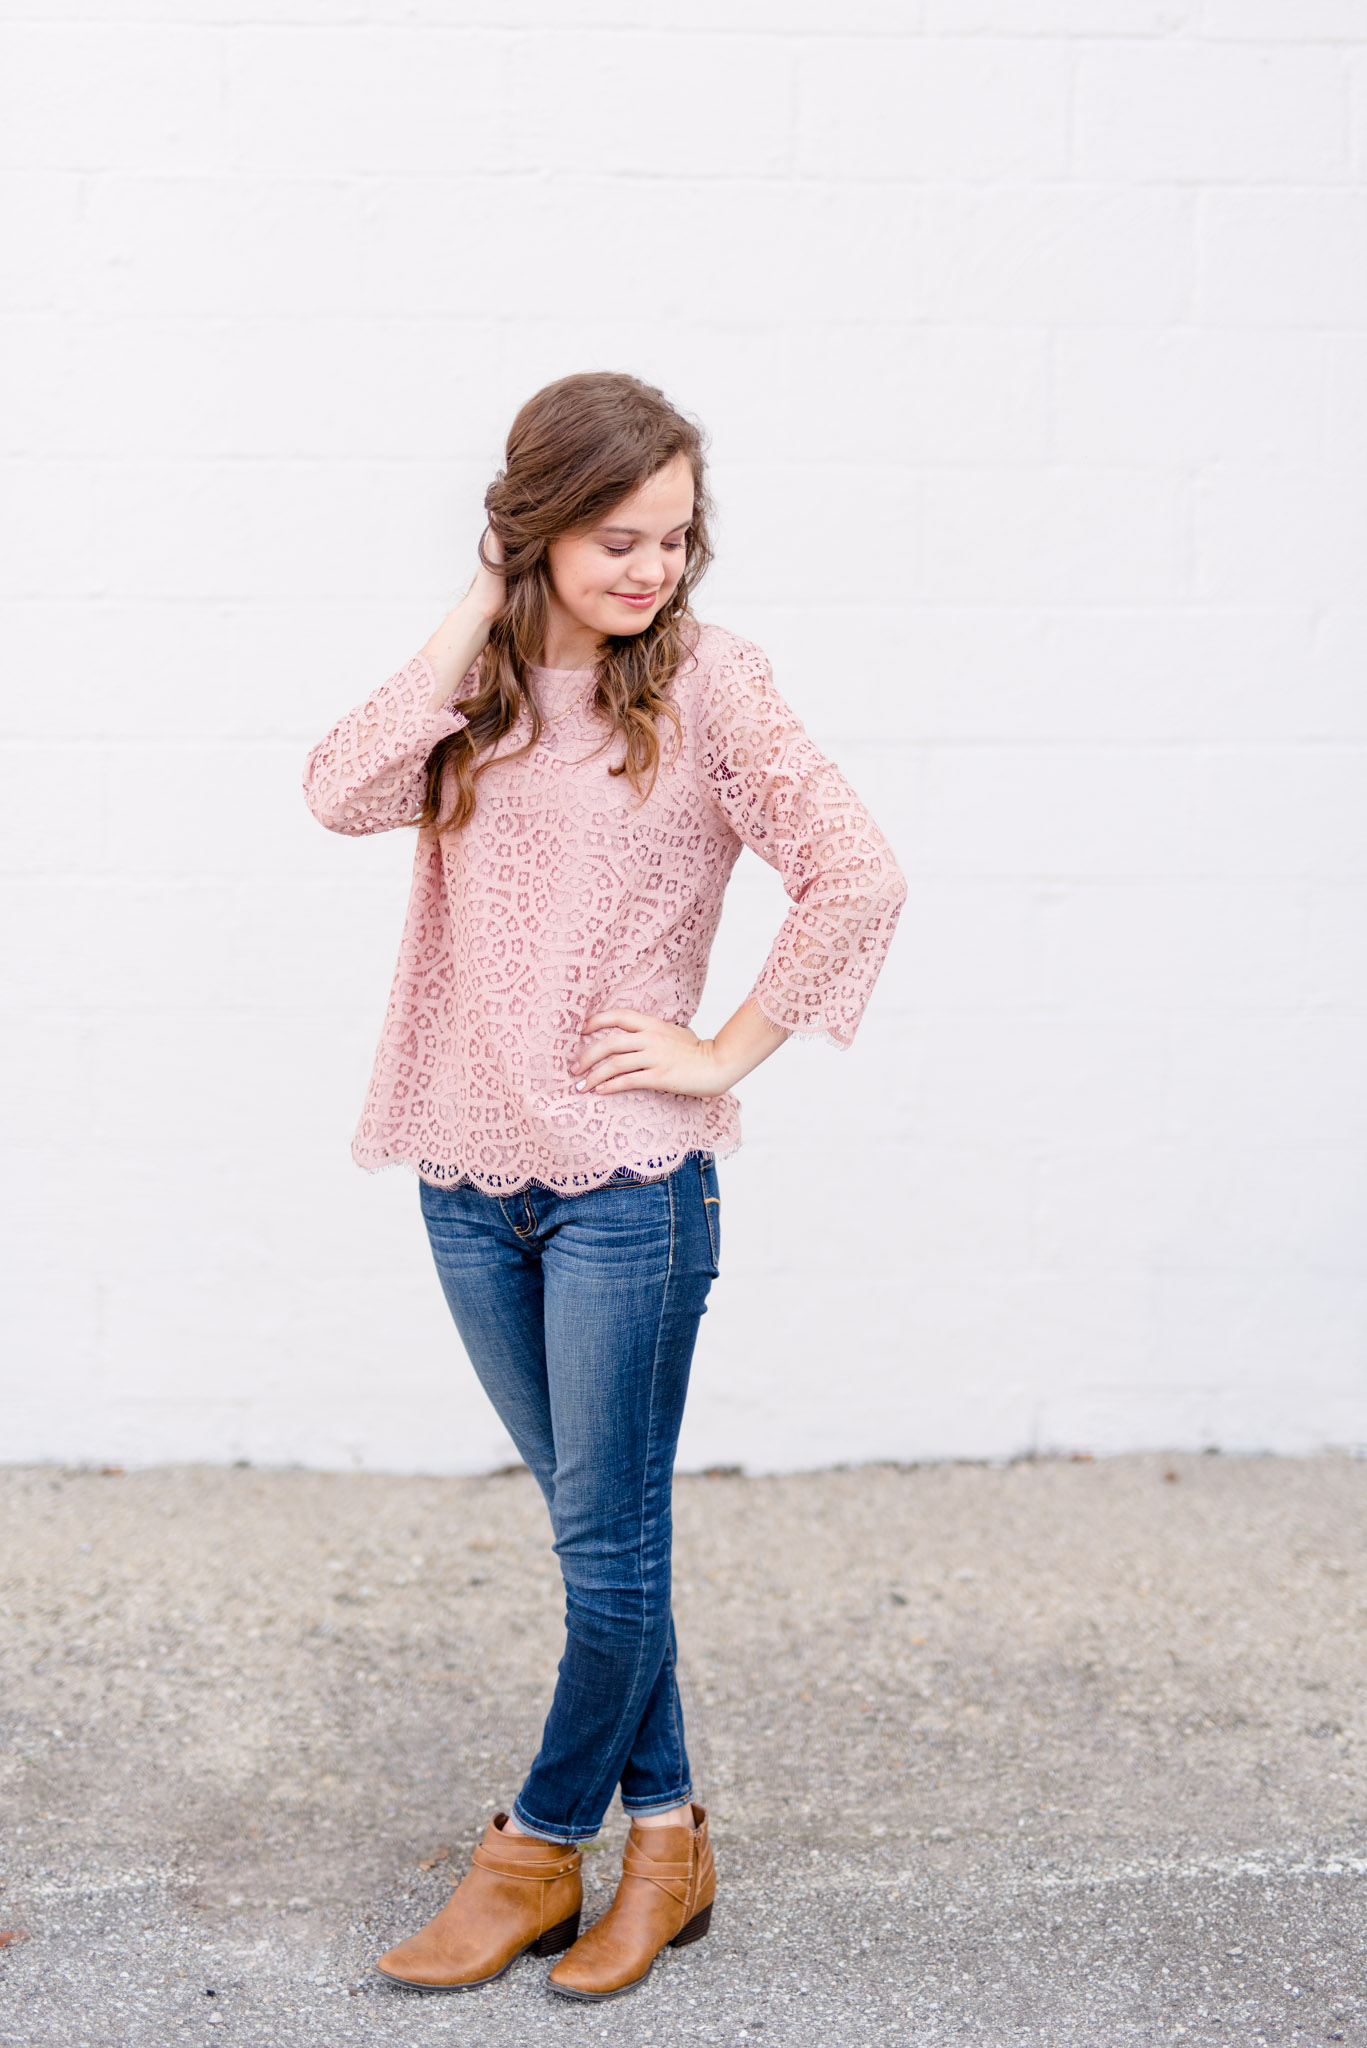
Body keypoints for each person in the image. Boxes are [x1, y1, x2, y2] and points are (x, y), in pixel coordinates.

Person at [302, 371, 906, 2001]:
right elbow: (339, 791)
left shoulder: (713, 687)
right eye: (619, 536)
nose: (654, 569)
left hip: (629, 1189)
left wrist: (724, 1052)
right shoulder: (474, 693)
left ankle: (531, 1846)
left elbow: (860, 873)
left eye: (679, 538)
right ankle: (669, 1842)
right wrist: (473, 614)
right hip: (462, 1171)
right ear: (536, 528)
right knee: (599, 1542)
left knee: (611, 1552)